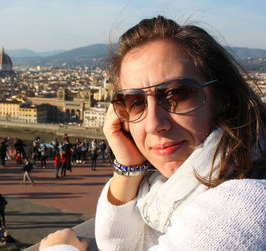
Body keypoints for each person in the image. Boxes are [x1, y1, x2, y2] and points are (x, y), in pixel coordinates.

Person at [39, 16, 266, 250]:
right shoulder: (169, 194)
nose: (153, 124)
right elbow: (121, 246)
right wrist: (128, 166)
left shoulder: (244, 205)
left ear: (224, 98)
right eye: (135, 102)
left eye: (176, 94)